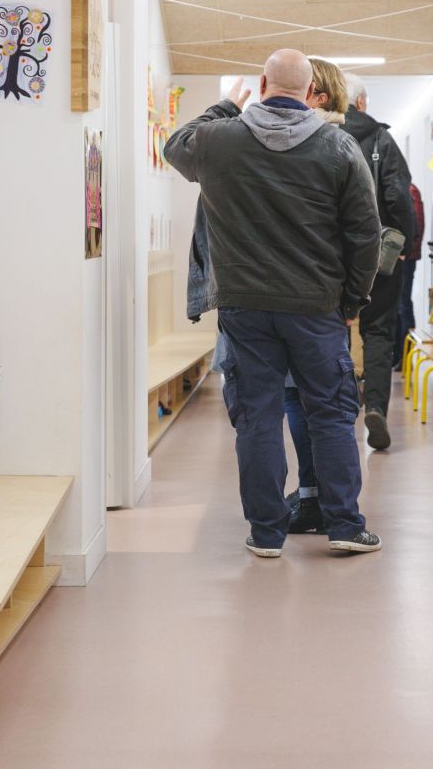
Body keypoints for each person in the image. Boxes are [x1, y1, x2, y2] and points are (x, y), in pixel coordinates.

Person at [165, 50, 382, 557]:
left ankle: (266, 533)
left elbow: (175, 145)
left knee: (257, 416)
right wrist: (352, 298)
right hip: (316, 306)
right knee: (330, 414)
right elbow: (365, 234)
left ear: (262, 83)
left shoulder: (218, 141)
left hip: (244, 307)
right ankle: (345, 527)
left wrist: (223, 107)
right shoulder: (338, 145)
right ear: (311, 92)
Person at [284, 57, 350, 536]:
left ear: (317, 96)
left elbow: (364, 230)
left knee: (314, 407)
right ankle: (321, 501)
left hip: (307, 299)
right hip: (323, 297)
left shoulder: (325, 144)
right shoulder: (329, 141)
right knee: (315, 406)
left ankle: (322, 503)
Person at [341, 74, 414, 452]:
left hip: (333, 259)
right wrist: (403, 242)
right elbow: (398, 195)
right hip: (379, 256)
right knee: (379, 332)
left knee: (334, 331)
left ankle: (339, 413)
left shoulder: (326, 137)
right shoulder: (382, 141)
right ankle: (376, 408)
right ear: (363, 102)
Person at [393, 183, 425, 367]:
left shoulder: (409, 190)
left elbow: (414, 227)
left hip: (405, 258)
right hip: (406, 257)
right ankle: (400, 356)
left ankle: (405, 358)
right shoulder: (408, 190)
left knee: (403, 305)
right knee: (401, 305)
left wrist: (404, 251)